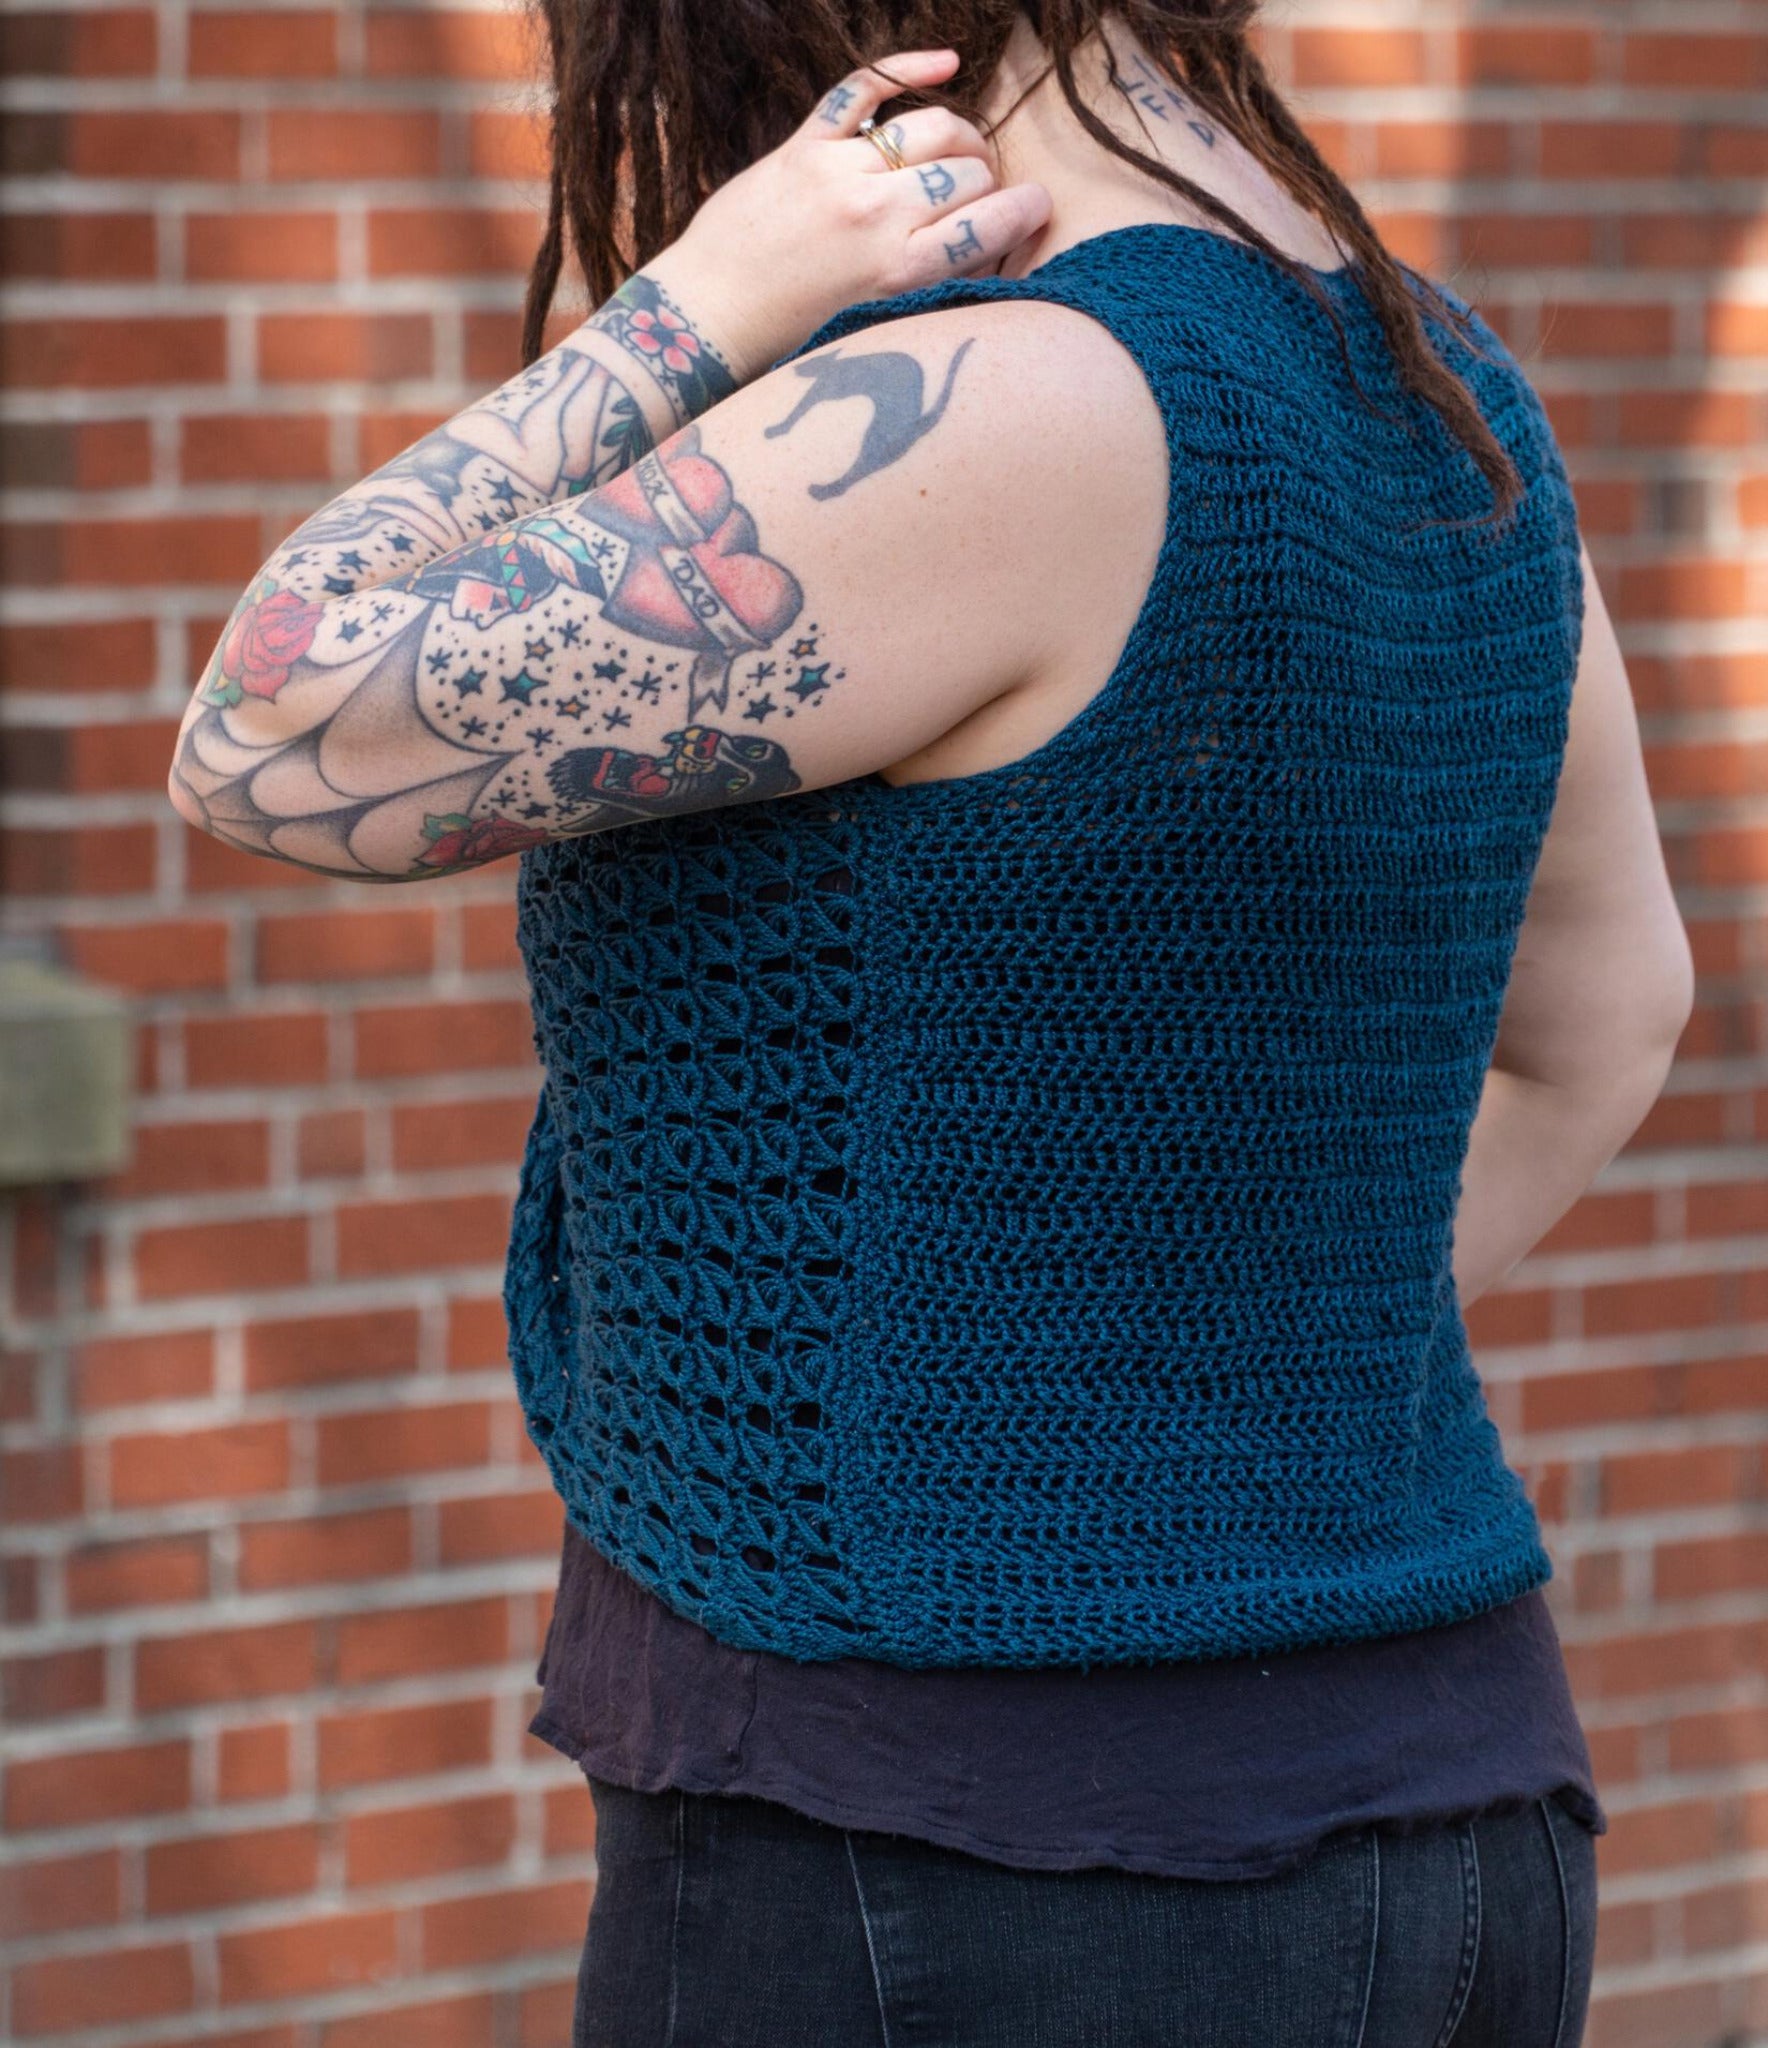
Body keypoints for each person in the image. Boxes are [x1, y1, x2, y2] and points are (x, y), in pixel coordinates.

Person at [167, 5, 1694, 2042]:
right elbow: (1611, 1015)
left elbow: (267, 726)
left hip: (970, 1857)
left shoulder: (993, 401)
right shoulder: (1441, 395)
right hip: (1454, 1827)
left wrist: (699, 295)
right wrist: (1193, 1378)